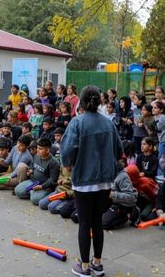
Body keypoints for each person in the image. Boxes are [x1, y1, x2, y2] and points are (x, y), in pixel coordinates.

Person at [60, 85, 122, 276]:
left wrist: (68, 165)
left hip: (84, 181)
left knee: (85, 224)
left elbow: (67, 152)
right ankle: (97, 263)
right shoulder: (108, 123)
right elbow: (119, 151)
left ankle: (84, 267)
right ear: (99, 101)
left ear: (82, 102)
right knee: (97, 222)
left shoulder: (77, 123)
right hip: (105, 181)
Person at [14, 138, 61, 205]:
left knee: (35, 200)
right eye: (38, 148)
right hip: (33, 182)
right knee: (18, 191)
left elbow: (52, 180)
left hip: (45, 186)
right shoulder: (36, 156)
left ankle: (32, 192)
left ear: (47, 150)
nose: (38, 150)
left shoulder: (54, 162)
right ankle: (32, 192)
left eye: (40, 149)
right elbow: (32, 166)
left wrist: (41, 186)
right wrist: (30, 170)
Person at [102, 160, 138, 230]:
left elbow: (130, 197)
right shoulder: (110, 173)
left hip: (123, 205)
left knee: (103, 224)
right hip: (113, 200)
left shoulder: (122, 177)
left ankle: (128, 215)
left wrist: (112, 194)